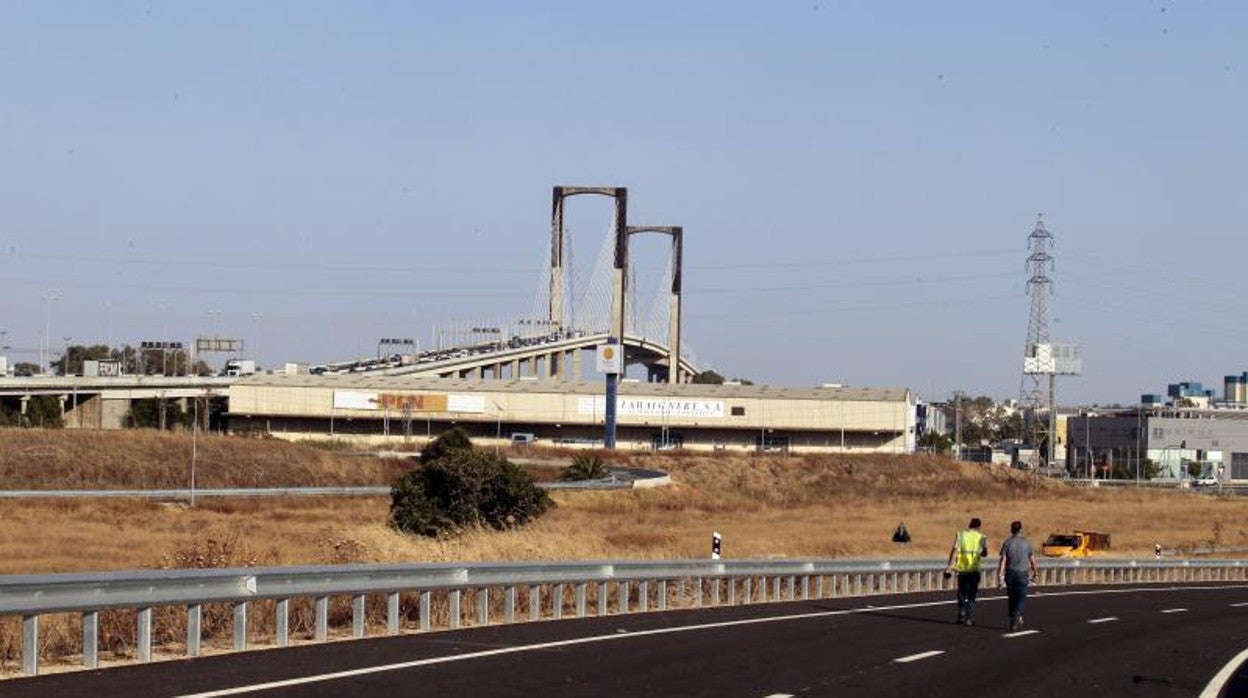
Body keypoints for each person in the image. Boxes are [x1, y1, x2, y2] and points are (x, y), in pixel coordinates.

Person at [996, 520, 1039, 631]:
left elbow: (1003, 561)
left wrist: (1000, 576)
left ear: (1011, 529)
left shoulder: (1007, 543)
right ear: (1020, 529)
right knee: (1021, 597)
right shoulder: (1027, 543)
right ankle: (1017, 615)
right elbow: (1032, 560)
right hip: (1022, 574)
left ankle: (1012, 618)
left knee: (1011, 598)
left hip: (1010, 573)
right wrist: (1035, 573)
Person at [945, 517, 988, 625]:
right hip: (974, 570)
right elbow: (985, 553)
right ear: (979, 526)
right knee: (972, 595)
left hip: (962, 569)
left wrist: (949, 566)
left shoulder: (961, 535)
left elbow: (954, 551)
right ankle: (969, 618)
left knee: (962, 592)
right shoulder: (982, 537)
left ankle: (961, 615)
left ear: (970, 525)